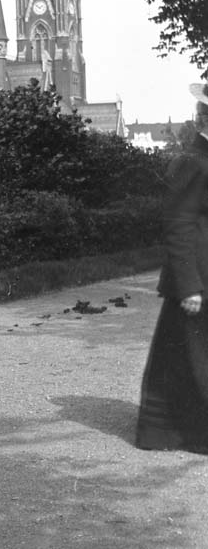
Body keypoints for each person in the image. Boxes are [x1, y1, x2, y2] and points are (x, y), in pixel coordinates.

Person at [136, 84, 208, 452]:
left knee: (186, 357)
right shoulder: (194, 162)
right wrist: (190, 284)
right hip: (196, 278)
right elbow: (178, 223)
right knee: (191, 359)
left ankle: (180, 430)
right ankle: (177, 432)